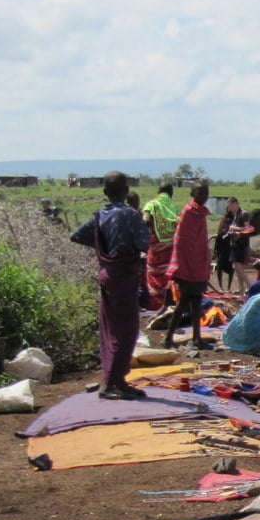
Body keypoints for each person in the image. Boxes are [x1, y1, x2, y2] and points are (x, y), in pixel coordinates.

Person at [70, 171, 151, 399]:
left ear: (105, 192)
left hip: (108, 274)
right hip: (125, 275)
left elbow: (76, 235)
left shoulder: (99, 215)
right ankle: (109, 384)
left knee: (110, 329)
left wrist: (101, 247)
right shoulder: (131, 215)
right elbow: (144, 243)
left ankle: (118, 381)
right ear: (126, 191)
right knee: (126, 331)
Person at [163, 180, 212, 350]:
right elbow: (181, 242)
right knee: (183, 302)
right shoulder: (188, 212)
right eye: (199, 192)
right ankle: (168, 337)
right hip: (187, 265)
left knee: (197, 301)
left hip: (198, 265)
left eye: (205, 193)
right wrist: (184, 265)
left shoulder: (200, 214)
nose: (203, 196)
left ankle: (197, 338)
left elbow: (200, 243)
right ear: (192, 194)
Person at [141, 182, 179, 311]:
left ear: (158, 192)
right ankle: (168, 301)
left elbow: (145, 219)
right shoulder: (173, 207)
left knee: (153, 274)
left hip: (155, 246)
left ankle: (156, 302)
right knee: (168, 274)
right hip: (171, 247)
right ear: (171, 194)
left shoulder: (152, 204)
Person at [226, 197, 254, 293]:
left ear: (235, 204)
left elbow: (249, 228)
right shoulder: (236, 215)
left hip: (241, 244)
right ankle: (241, 289)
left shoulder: (243, 214)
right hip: (235, 244)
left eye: (230, 206)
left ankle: (250, 287)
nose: (230, 209)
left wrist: (235, 228)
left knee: (237, 266)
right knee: (236, 267)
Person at [212, 202, 236, 293]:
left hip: (230, 247)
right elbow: (220, 232)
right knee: (220, 267)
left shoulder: (234, 219)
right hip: (222, 246)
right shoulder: (224, 219)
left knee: (231, 269)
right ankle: (221, 287)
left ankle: (229, 287)